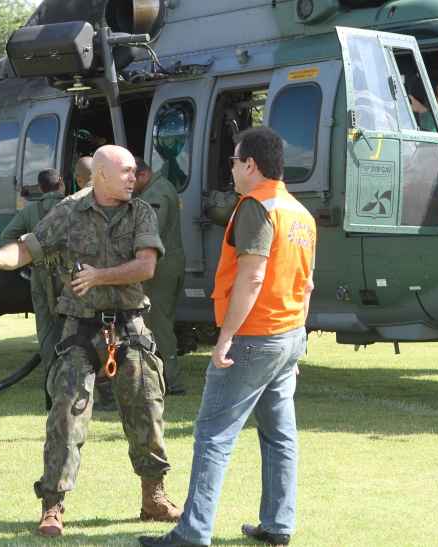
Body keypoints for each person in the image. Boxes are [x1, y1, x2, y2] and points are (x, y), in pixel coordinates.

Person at [0, 145, 181, 537]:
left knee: (147, 410)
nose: (132, 178)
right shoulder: (70, 211)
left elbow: (146, 265)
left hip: (130, 327)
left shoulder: (141, 212)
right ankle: (52, 506)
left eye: (135, 171)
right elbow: (29, 246)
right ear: (100, 174)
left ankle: (153, 497)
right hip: (82, 329)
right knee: (66, 415)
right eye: (124, 171)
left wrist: (98, 276)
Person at [139, 128, 316, 547]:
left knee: (213, 435)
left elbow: (252, 276)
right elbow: (307, 285)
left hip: (255, 336)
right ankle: (277, 524)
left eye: (234, 161)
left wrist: (225, 339)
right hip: (288, 334)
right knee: (280, 436)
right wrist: (298, 336)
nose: (232, 169)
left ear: (250, 165)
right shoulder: (298, 212)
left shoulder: (256, 207)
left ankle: (193, 531)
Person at [0, 168, 66, 378]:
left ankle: (50, 375)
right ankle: (73, 373)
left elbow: (7, 236)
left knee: (46, 327)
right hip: (70, 275)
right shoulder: (73, 206)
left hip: (40, 274)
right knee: (74, 323)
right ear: (61, 183)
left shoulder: (30, 211)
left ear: (40, 188)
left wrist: (27, 258)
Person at [135, 157, 187, 395]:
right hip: (168, 264)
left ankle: (171, 381)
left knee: (159, 324)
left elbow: (150, 233)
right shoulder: (162, 186)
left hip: (160, 267)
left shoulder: (154, 194)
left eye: (130, 178)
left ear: (142, 175)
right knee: (161, 322)